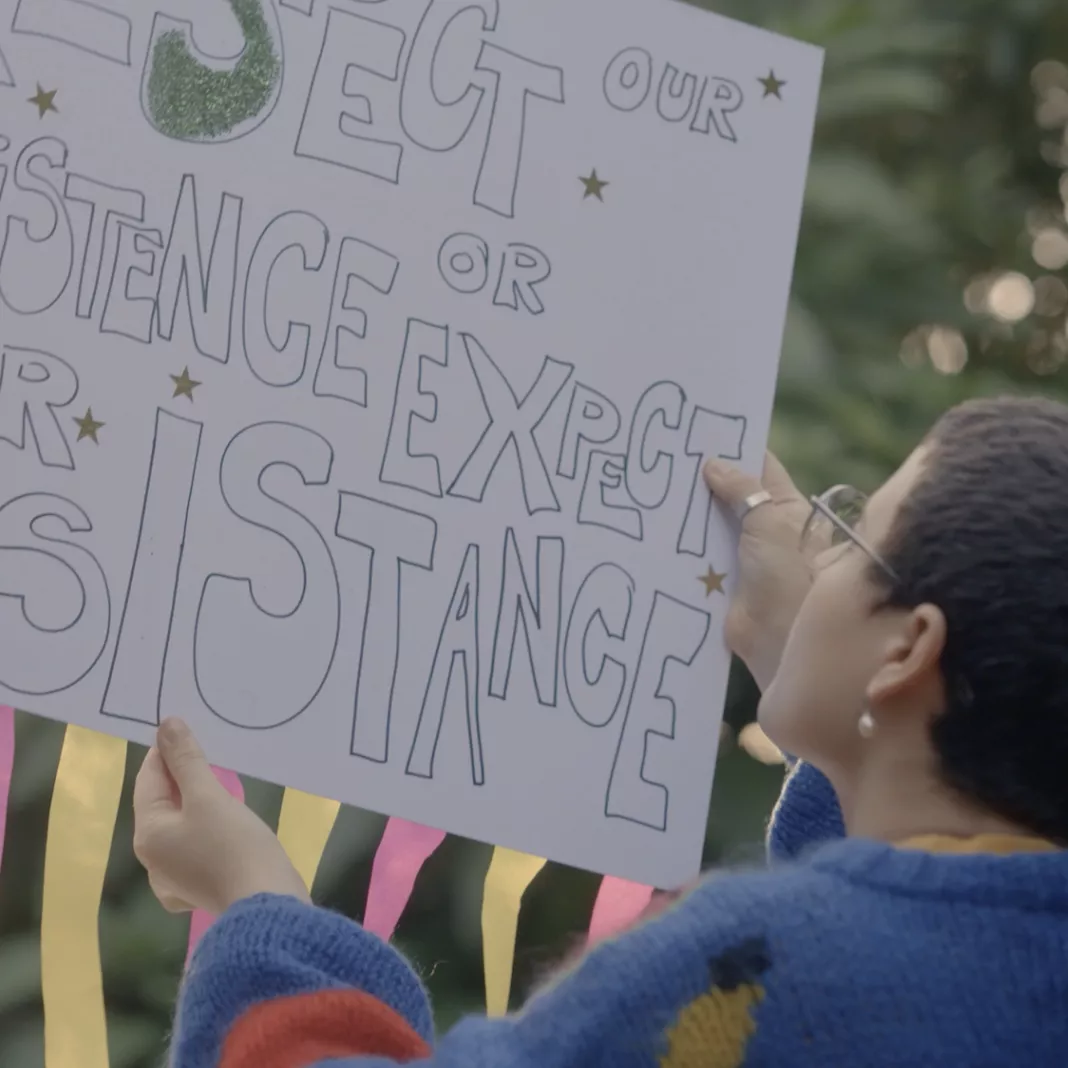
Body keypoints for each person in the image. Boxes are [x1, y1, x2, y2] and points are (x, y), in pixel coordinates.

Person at [136, 395, 1068, 1067]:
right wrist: (844, 728)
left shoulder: (746, 967)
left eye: (855, 533)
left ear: (906, 651)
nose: (818, 550)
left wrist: (255, 909)